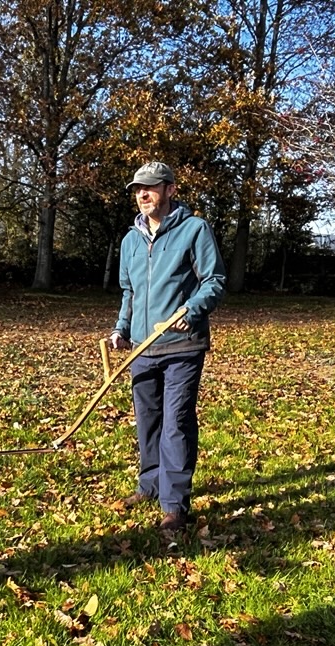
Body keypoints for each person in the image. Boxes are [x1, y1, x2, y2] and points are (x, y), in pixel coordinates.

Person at [109, 161, 226, 532]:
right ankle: (151, 485)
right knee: (148, 421)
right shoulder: (130, 240)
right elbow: (129, 291)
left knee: (176, 422)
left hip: (182, 343)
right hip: (142, 348)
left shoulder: (194, 229)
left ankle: (174, 503)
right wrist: (121, 330)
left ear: (170, 189)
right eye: (138, 189)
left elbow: (215, 280)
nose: (143, 194)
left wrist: (190, 311)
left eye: (151, 187)